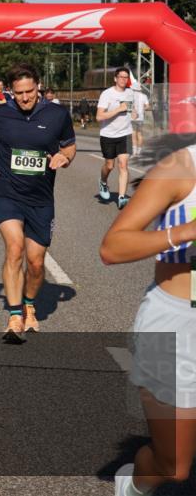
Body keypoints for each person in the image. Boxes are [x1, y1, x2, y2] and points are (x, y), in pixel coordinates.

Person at [100, 134, 196, 496]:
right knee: (174, 467)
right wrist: (186, 232)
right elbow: (112, 247)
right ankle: (132, 486)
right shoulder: (180, 169)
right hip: (178, 327)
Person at [0, 63, 75, 343]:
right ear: (11, 91)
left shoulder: (57, 115)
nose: (25, 98)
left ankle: (29, 303)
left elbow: (69, 145)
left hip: (41, 199)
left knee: (36, 263)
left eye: (29, 91)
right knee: (15, 248)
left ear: (38, 87)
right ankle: (15, 314)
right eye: (19, 93)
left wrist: (65, 157)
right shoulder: (0, 114)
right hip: (7, 193)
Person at [97, 67, 137, 209]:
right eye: (121, 77)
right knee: (109, 165)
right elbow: (99, 116)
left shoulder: (131, 93)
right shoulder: (107, 94)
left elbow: (133, 111)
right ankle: (103, 181)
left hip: (125, 133)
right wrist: (118, 110)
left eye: (126, 77)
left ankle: (121, 197)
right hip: (108, 134)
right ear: (115, 78)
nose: (123, 80)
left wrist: (134, 115)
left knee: (123, 164)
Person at [132, 88, 149, 156]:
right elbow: (147, 106)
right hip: (141, 118)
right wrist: (142, 110)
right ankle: (139, 151)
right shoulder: (144, 96)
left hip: (132, 118)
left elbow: (128, 106)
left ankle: (134, 152)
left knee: (133, 135)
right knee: (139, 134)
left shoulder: (131, 96)